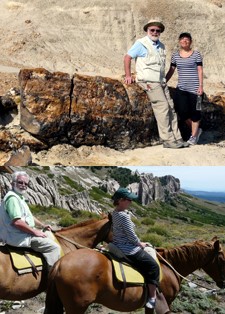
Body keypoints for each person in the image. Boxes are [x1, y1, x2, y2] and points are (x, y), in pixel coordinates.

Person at [124, 18, 189, 149]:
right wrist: (128, 75)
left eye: (157, 30)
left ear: (160, 32)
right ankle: (167, 140)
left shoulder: (162, 46)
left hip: (160, 82)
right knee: (163, 107)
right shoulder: (141, 43)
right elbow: (127, 57)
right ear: (147, 30)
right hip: (148, 81)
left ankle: (177, 138)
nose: (154, 32)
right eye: (152, 30)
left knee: (171, 108)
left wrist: (164, 81)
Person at [0, 171, 61, 270]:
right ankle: (51, 281)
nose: (23, 185)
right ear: (13, 183)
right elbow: (17, 222)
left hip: (22, 233)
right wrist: (35, 232)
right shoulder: (12, 199)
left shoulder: (19, 197)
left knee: (50, 235)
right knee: (55, 248)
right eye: (20, 182)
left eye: (26, 184)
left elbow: (29, 216)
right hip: (18, 236)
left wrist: (42, 225)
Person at [111, 187, 159, 309]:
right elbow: (131, 235)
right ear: (121, 200)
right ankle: (152, 298)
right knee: (153, 266)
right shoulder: (124, 216)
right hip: (127, 248)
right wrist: (140, 243)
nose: (130, 202)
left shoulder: (115, 212)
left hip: (117, 244)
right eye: (128, 199)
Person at [166, 32, 203, 145]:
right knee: (182, 112)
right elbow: (171, 70)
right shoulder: (175, 55)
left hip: (195, 89)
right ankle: (197, 131)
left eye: (187, 39)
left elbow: (200, 70)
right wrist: (164, 81)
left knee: (195, 113)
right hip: (181, 89)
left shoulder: (196, 54)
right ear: (179, 41)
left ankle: (193, 137)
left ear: (190, 41)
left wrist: (201, 86)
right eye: (182, 39)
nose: (184, 41)